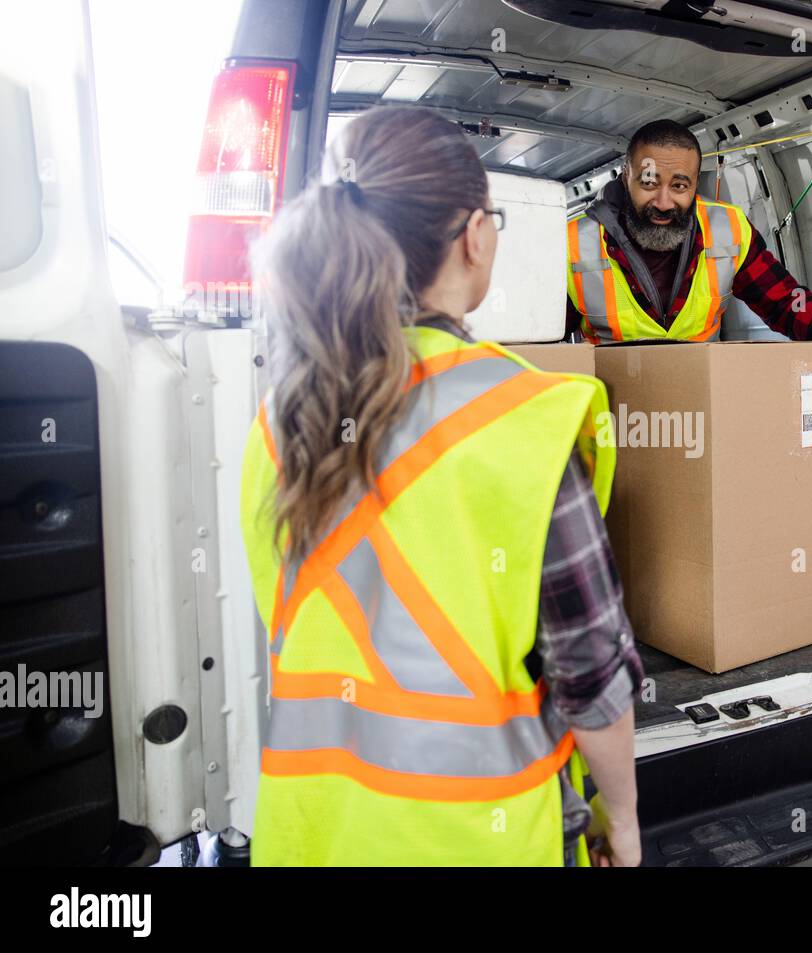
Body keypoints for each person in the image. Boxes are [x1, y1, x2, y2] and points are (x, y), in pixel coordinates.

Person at [239, 105, 643, 867]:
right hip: (472, 838)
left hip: (309, 832)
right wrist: (618, 817)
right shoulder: (524, 420)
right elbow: (592, 682)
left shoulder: (279, 422)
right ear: (473, 235)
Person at [565, 118, 812, 376]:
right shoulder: (571, 243)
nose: (663, 203)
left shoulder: (728, 229)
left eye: (679, 185)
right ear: (626, 178)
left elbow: (786, 303)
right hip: (609, 419)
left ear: (694, 184)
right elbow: (542, 348)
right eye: (649, 183)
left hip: (702, 406)